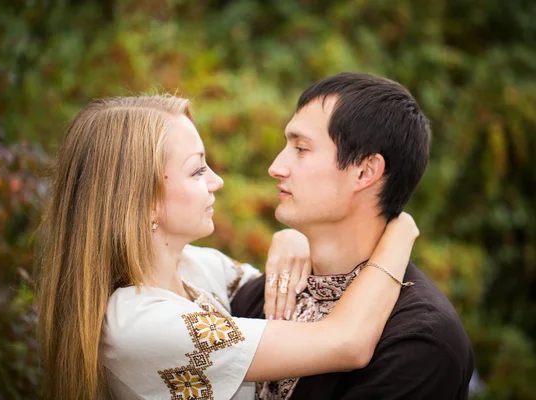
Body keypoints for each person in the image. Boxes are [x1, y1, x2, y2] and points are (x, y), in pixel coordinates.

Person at [37, 95, 419, 400]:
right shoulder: (135, 325)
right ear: (147, 200)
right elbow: (346, 342)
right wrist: (399, 231)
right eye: (198, 170)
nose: (216, 181)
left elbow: (279, 291)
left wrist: (296, 236)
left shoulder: (195, 268)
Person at [231, 72, 475, 399]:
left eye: (301, 148)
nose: (276, 166)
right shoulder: (264, 294)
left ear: (364, 172)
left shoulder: (420, 341)